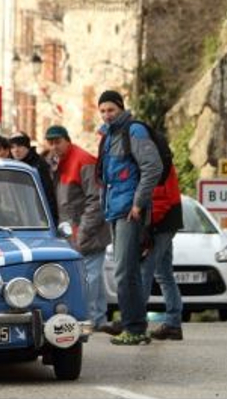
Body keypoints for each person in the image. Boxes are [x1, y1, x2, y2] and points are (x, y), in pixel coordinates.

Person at [96, 90, 162, 346]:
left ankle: (133, 327)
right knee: (129, 270)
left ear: (121, 108)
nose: (107, 115)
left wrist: (138, 204)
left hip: (129, 211)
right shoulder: (109, 135)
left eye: (111, 110)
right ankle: (136, 327)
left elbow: (152, 167)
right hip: (116, 209)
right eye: (102, 110)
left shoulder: (134, 132)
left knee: (124, 271)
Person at [45, 125, 114, 335]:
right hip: (75, 229)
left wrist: (83, 232)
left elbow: (96, 201)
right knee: (94, 276)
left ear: (67, 140)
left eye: (58, 142)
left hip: (85, 230)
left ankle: (89, 318)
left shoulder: (83, 160)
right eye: (51, 143)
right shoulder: (60, 162)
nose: (54, 146)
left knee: (89, 277)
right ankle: (99, 318)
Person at [140, 165, 184, 340]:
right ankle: (173, 324)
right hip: (168, 220)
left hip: (160, 220)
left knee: (145, 270)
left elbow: (159, 197)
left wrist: (150, 223)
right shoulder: (159, 154)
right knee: (164, 274)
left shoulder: (153, 156)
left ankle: (135, 322)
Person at [9, 132, 58, 224]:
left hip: (38, 217)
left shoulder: (39, 165)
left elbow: (48, 194)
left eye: (20, 146)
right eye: (12, 147)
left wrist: (50, 221)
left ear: (27, 147)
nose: (16, 150)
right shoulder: (10, 165)